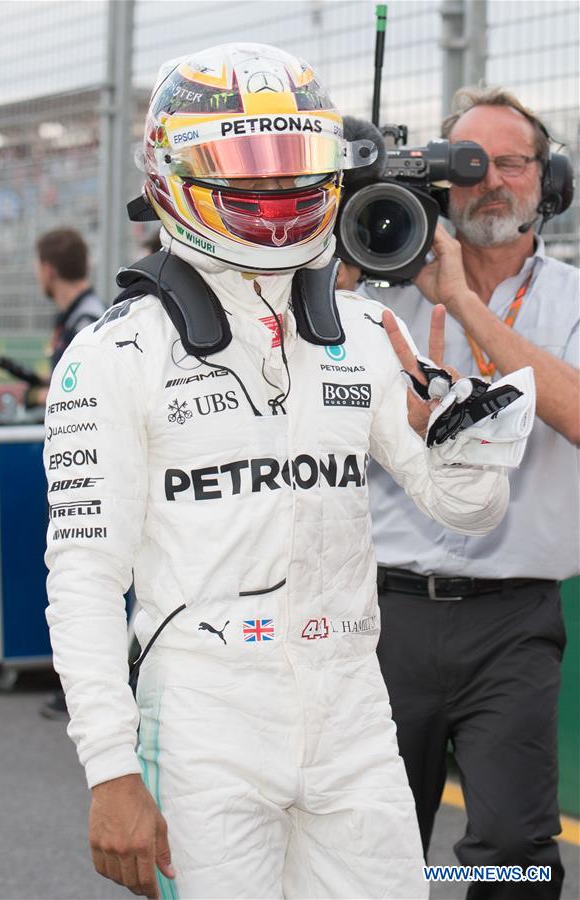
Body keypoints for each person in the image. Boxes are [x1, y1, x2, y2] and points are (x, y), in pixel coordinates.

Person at [43, 48, 530, 900]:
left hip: (351, 705)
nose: (274, 196)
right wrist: (110, 768)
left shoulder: (371, 330)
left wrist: (469, 435)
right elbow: (83, 574)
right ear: (172, 170)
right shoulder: (115, 352)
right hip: (202, 714)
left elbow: (466, 510)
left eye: (293, 167)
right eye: (245, 169)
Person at [361, 86, 579, 899]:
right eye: (469, 164)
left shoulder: (572, 298)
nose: (491, 182)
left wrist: (463, 305)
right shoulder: (379, 300)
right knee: (368, 852)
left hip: (513, 620)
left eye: (512, 162)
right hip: (384, 615)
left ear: (548, 180)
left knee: (515, 857)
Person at [34, 228, 105, 719]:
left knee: (84, 576)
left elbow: (81, 396)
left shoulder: (88, 319)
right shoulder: (81, 315)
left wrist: (41, 395)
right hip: (83, 466)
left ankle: (88, 694)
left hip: (87, 469)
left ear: (49, 269)